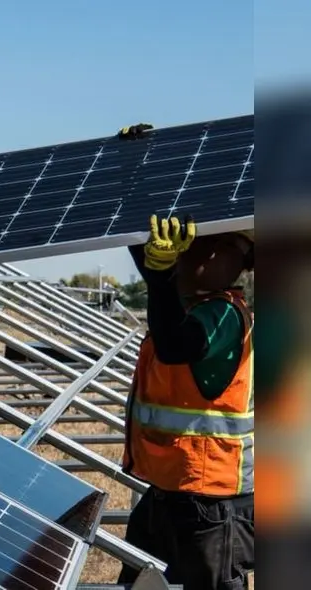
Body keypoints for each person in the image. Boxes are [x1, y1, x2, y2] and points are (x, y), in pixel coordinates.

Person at [118, 213, 256, 590]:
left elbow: (175, 344)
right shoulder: (187, 306)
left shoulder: (223, 313)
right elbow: (158, 282)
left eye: (222, 246)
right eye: (196, 243)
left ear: (243, 264)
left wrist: (160, 274)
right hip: (171, 491)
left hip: (211, 501)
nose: (203, 254)